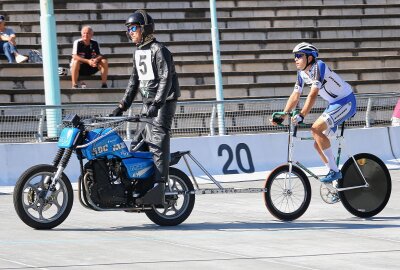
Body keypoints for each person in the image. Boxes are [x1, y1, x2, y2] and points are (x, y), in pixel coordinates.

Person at [111, 10, 180, 203]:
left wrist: (157, 104)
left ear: (145, 28)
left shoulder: (160, 50)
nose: (130, 32)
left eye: (133, 28)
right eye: (129, 29)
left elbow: (166, 79)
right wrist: (122, 105)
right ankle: (140, 183)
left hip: (163, 103)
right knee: (138, 142)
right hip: (148, 103)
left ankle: (159, 186)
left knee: (157, 139)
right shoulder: (139, 52)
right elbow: (134, 82)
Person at [271, 42, 356, 182]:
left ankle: (335, 172)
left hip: (346, 101)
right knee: (318, 143)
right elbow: (295, 95)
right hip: (334, 105)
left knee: (315, 129)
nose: (295, 59)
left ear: (310, 58)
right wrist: (284, 114)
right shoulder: (301, 73)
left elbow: (313, 94)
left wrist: (302, 115)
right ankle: (336, 179)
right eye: (295, 56)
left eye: (299, 56)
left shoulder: (319, 66)